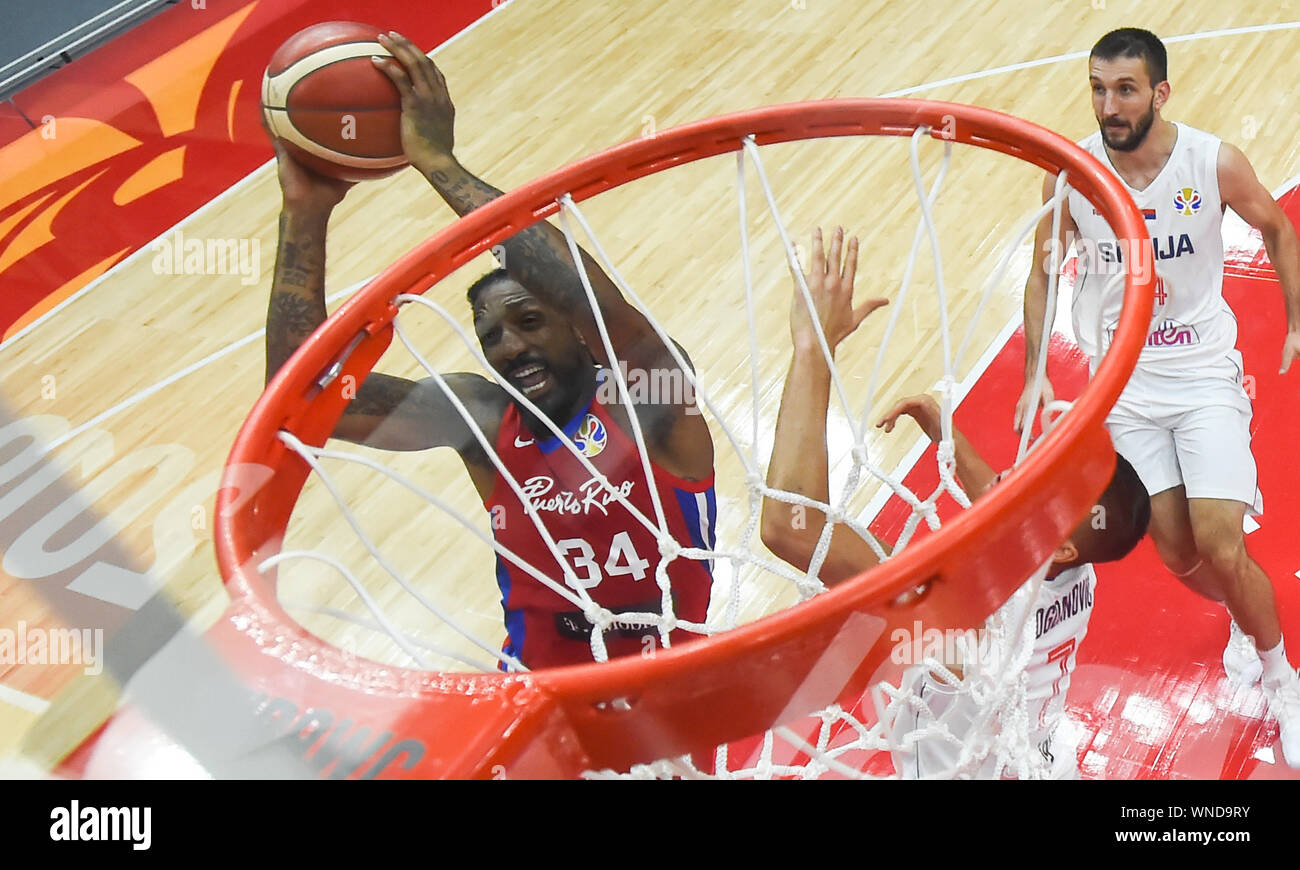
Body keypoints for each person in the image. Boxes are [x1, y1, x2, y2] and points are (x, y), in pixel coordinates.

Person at [264, 32, 715, 670]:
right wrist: (304, 210)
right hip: (536, 703)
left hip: (672, 695)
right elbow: (306, 398)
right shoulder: (480, 417)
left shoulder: (650, 393)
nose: (510, 345)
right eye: (491, 336)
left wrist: (439, 164)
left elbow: (585, 293)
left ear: (577, 331)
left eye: (529, 320)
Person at [760, 226, 1150, 778]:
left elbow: (790, 526)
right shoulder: (1073, 572)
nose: (1033, 460)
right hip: (1033, 754)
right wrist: (945, 431)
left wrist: (812, 350)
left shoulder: (975, 619)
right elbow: (1006, 505)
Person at [1015, 27, 1300, 764]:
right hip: (1127, 388)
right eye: (1099, 89)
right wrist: (1034, 373)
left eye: (1127, 89)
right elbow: (1044, 270)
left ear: (1160, 92)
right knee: (1176, 553)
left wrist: (1297, 319)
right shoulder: (1072, 176)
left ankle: (1281, 679)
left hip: (1204, 372)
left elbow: (1277, 228)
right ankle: (1246, 616)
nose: (1110, 105)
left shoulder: (1212, 162)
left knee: (1219, 538)